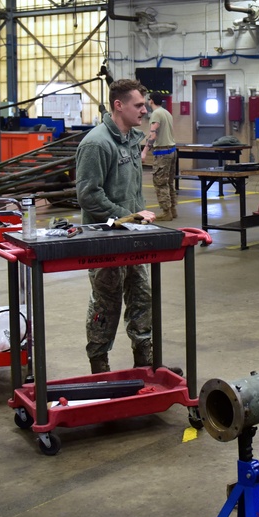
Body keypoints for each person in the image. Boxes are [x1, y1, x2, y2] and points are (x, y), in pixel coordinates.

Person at [75, 79, 158, 374]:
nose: (145, 110)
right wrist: (128, 217)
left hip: (132, 237)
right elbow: (89, 196)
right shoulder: (97, 143)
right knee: (105, 304)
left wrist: (136, 220)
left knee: (142, 297)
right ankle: (99, 366)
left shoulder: (132, 140)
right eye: (138, 105)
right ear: (118, 105)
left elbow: (132, 191)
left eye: (145, 104)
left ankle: (144, 362)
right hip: (105, 238)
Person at [140, 92, 177, 222]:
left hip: (162, 152)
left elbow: (153, 135)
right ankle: (172, 209)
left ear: (151, 101)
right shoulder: (167, 113)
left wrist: (144, 151)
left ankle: (166, 212)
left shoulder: (156, 114)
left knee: (160, 183)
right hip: (172, 150)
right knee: (169, 182)